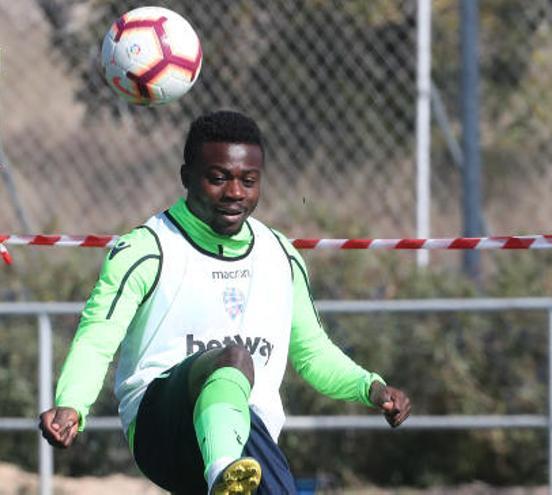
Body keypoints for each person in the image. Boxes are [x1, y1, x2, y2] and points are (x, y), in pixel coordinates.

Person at [38, 110, 412, 495]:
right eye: (218, 178)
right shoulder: (147, 248)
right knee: (231, 359)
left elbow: (313, 352)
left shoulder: (280, 255)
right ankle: (223, 472)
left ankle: (230, 475)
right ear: (186, 177)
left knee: (259, 450)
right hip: (162, 430)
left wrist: (370, 387)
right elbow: (98, 336)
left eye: (248, 181)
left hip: (249, 433)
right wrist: (71, 405)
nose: (235, 192)